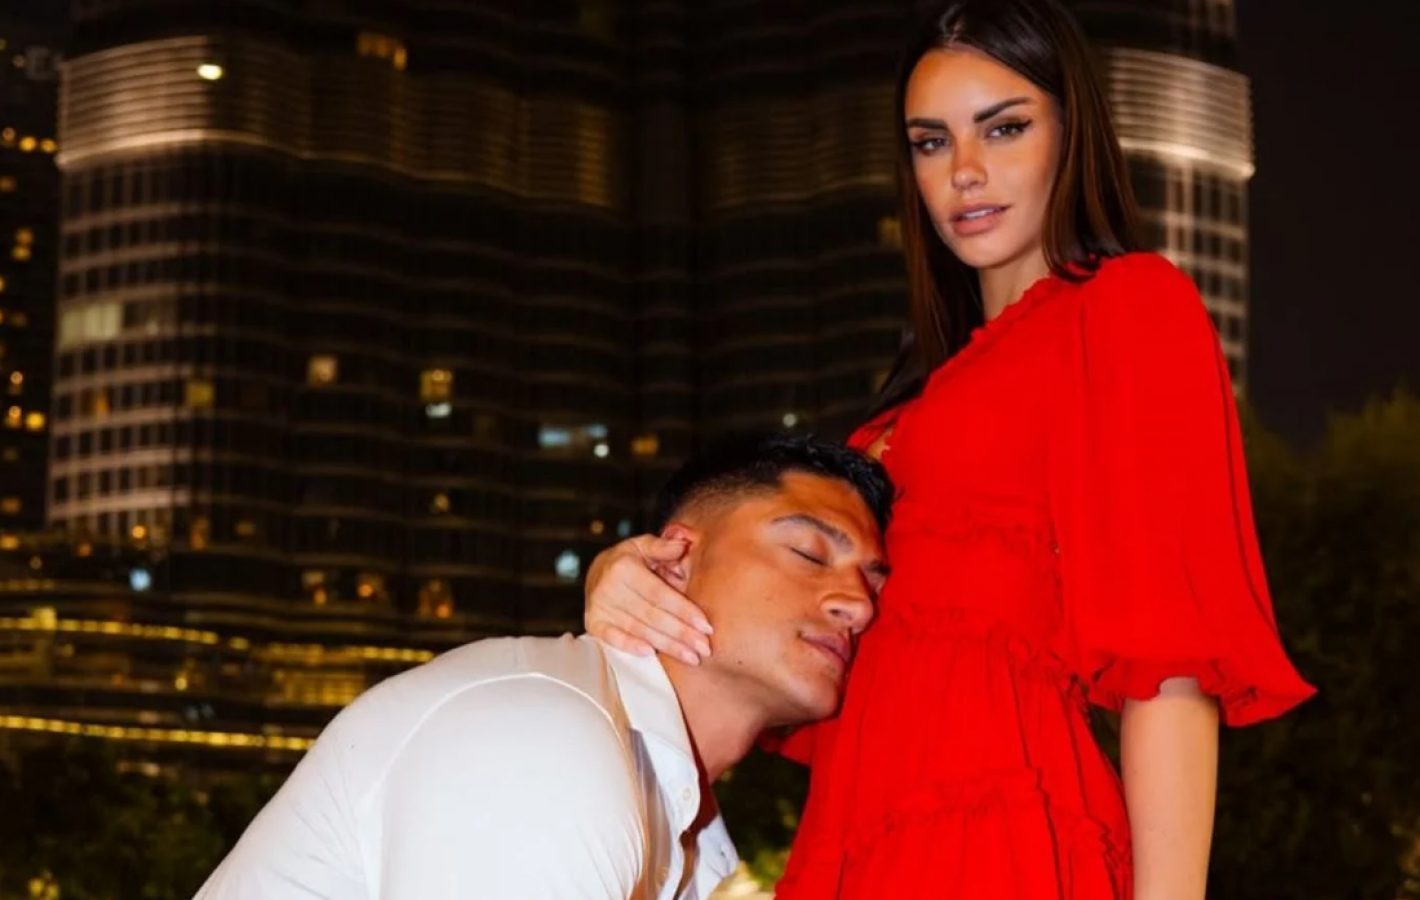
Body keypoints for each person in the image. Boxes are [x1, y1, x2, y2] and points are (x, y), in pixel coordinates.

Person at [581, 2, 1317, 899]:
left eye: (1004, 128)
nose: (965, 171)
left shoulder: (1124, 308)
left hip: (1002, 831)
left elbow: (1168, 670)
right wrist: (635, 584)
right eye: (931, 143)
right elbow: (775, 655)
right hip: (853, 840)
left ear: (1071, 132)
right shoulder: (900, 411)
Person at [191, 433, 893, 900]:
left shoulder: (674, 818)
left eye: (873, 582)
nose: (857, 605)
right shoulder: (544, 732)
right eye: (809, 553)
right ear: (673, 561)